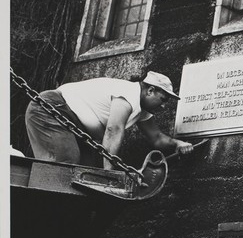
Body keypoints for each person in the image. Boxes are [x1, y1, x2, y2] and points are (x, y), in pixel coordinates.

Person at [26, 71, 193, 170]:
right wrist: (109, 173)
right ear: (150, 90)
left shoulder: (143, 111)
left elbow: (157, 138)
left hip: (75, 127)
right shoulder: (129, 93)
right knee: (66, 164)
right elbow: (114, 130)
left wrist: (177, 143)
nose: (164, 106)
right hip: (51, 109)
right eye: (163, 99)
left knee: (85, 173)